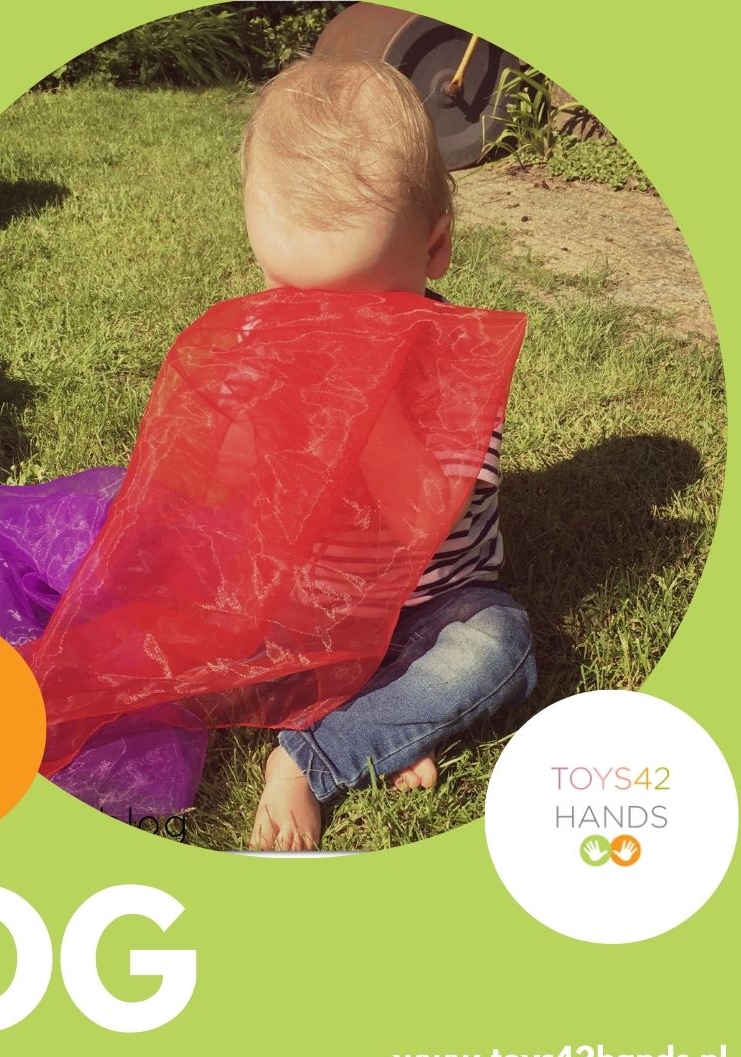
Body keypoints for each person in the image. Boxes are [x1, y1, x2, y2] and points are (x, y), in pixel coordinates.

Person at [240, 57, 537, 850]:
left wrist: (362, 407)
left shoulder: (457, 365)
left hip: (436, 608)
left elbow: (422, 517)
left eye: (359, 306)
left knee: (499, 648)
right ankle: (393, 716)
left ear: (434, 249)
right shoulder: (269, 343)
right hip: (316, 609)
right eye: (291, 294)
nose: (324, 327)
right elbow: (235, 484)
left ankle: (315, 755)